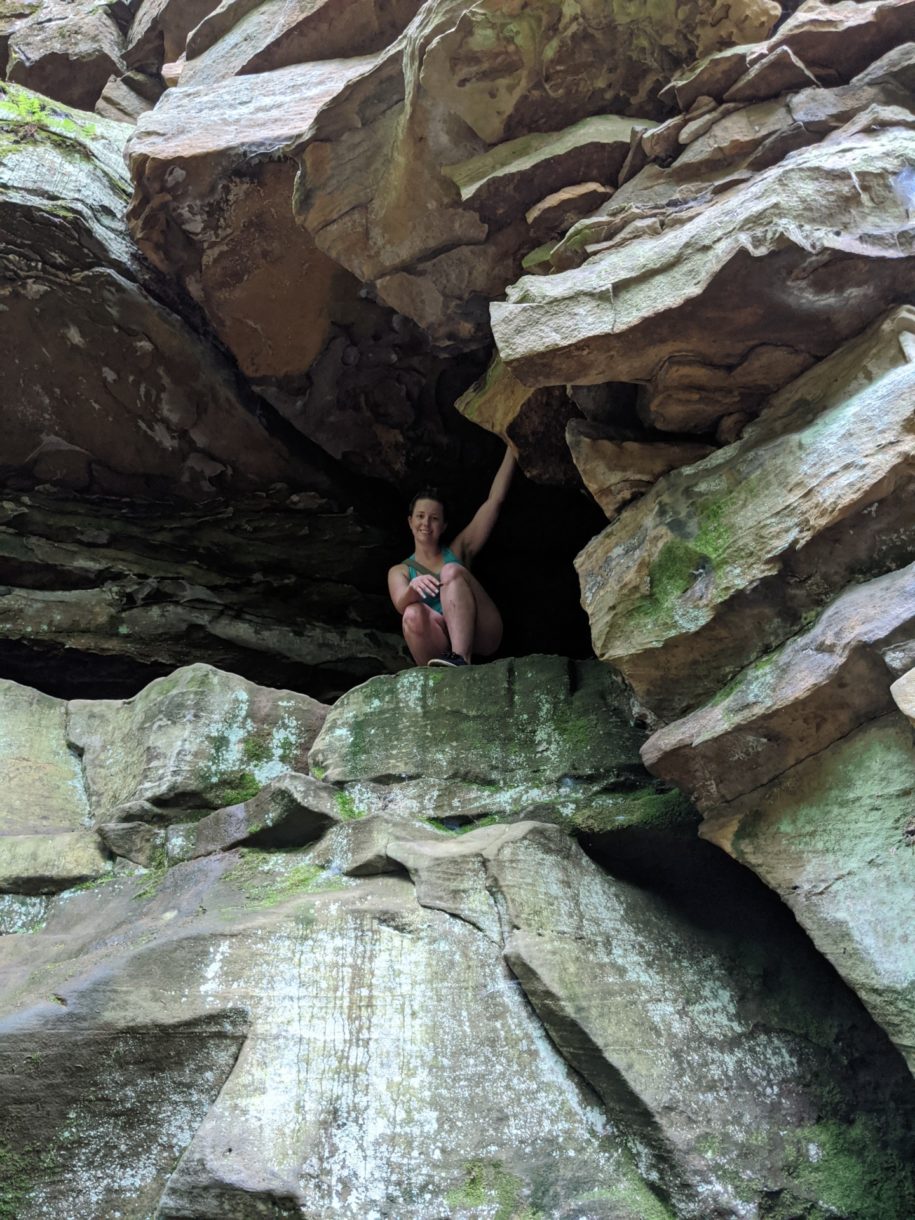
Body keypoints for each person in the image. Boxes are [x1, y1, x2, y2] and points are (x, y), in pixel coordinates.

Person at [388, 445, 516, 667]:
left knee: (451, 571)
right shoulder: (399, 571)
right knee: (411, 614)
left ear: (444, 525)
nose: (426, 524)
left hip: (482, 632)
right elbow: (401, 603)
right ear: (410, 522)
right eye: (420, 516)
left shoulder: (458, 550)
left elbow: (494, 502)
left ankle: (461, 659)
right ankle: (433, 677)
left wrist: (513, 449)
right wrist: (413, 587)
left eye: (434, 518)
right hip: (437, 637)